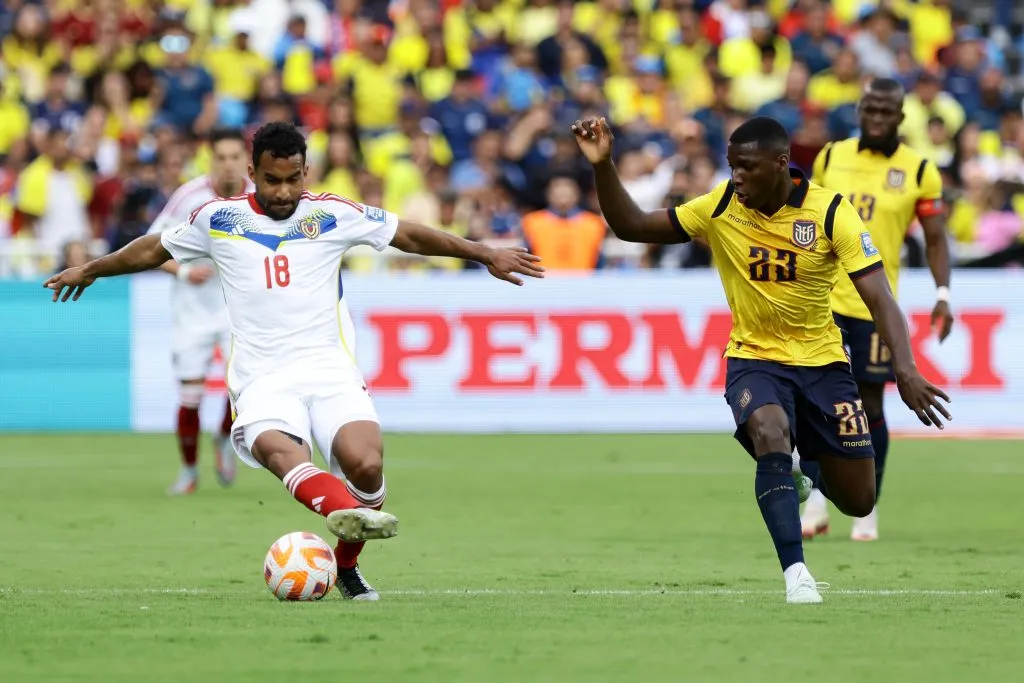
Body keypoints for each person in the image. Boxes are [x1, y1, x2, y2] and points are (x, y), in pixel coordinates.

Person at [45, 121, 544, 601]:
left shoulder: (332, 213)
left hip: (329, 370)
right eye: (271, 180)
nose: (283, 192)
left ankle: (346, 564)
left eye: (292, 179)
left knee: (366, 464)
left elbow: (407, 236)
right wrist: (91, 269)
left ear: (305, 172)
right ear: (253, 171)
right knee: (283, 454)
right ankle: (348, 513)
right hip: (261, 379)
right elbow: (153, 249)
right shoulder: (219, 219)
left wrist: (483, 253)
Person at [570, 115, 950, 604]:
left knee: (859, 499)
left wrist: (906, 369)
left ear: (781, 164)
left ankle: (806, 469)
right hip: (754, 358)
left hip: (824, 364)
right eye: (732, 167)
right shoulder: (721, 205)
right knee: (770, 432)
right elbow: (630, 226)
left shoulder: (831, 213)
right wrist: (603, 166)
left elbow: (880, 298)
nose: (737, 178)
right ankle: (797, 574)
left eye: (747, 168)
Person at [801, 78, 953, 542]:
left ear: (901, 118)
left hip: (874, 305)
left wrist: (943, 293)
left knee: (869, 405)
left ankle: (866, 506)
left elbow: (934, 237)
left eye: (887, 111)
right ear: (860, 110)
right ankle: (817, 501)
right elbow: (805, 216)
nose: (878, 117)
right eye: (871, 109)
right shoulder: (830, 156)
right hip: (825, 299)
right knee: (816, 402)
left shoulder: (921, 170)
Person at [147, 127, 254, 496]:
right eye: (221, 157)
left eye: (235, 157)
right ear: (211, 160)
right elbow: (151, 249)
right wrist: (186, 271)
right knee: (190, 396)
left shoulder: (259, 198)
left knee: (243, 388)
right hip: (191, 311)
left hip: (239, 310)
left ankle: (224, 438)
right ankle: (189, 471)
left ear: (246, 161)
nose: (228, 165)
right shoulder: (188, 197)